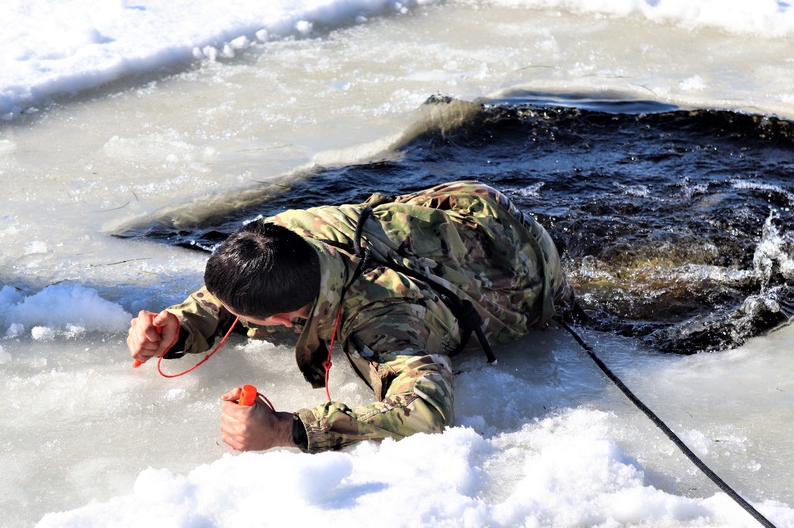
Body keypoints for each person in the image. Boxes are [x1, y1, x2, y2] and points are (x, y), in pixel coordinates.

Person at [127, 180, 573, 453]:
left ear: (284, 321)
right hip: (469, 203)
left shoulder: (381, 320)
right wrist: (180, 325)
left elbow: (426, 412)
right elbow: (231, 291)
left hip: (529, 276)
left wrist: (287, 430)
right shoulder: (287, 236)